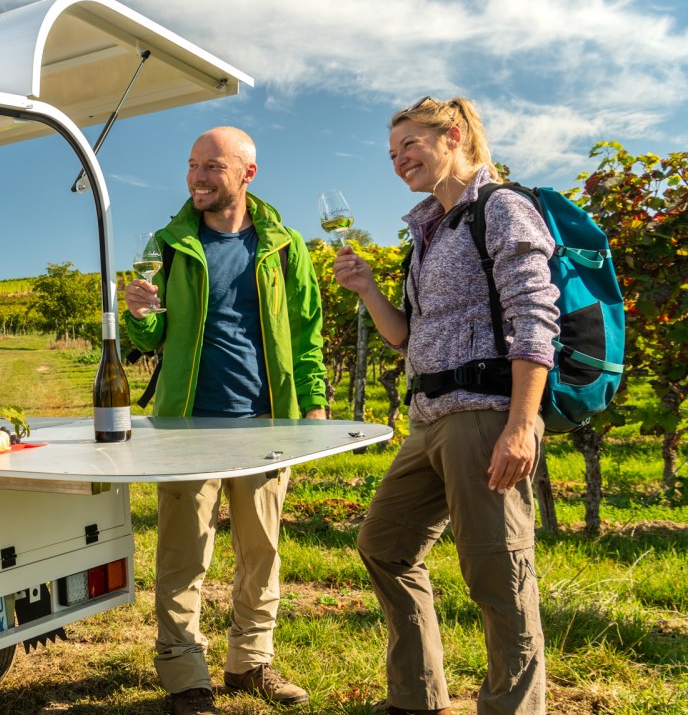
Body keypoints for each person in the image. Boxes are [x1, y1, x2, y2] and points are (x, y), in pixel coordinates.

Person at [331, 97, 557, 715]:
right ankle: (416, 698)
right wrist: (369, 289)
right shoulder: (430, 228)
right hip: (427, 421)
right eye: (392, 151)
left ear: (454, 136)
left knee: (497, 578)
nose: (399, 159)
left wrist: (520, 425)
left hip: (484, 417)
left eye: (410, 145)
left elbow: (536, 321)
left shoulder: (501, 208)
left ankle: (513, 708)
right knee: (384, 545)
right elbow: (407, 335)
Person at [123, 127, 327, 715]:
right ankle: (186, 673)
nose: (197, 178)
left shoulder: (284, 247)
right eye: (191, 166)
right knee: (183, 555)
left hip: (266, 423)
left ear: (247, 174)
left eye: (212, 166)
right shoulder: (170, 245)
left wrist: (311, 406)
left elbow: (308, 334)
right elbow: (152, 336)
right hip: (187, 425)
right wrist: (138, 315)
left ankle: (249, 662)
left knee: (261, 551)